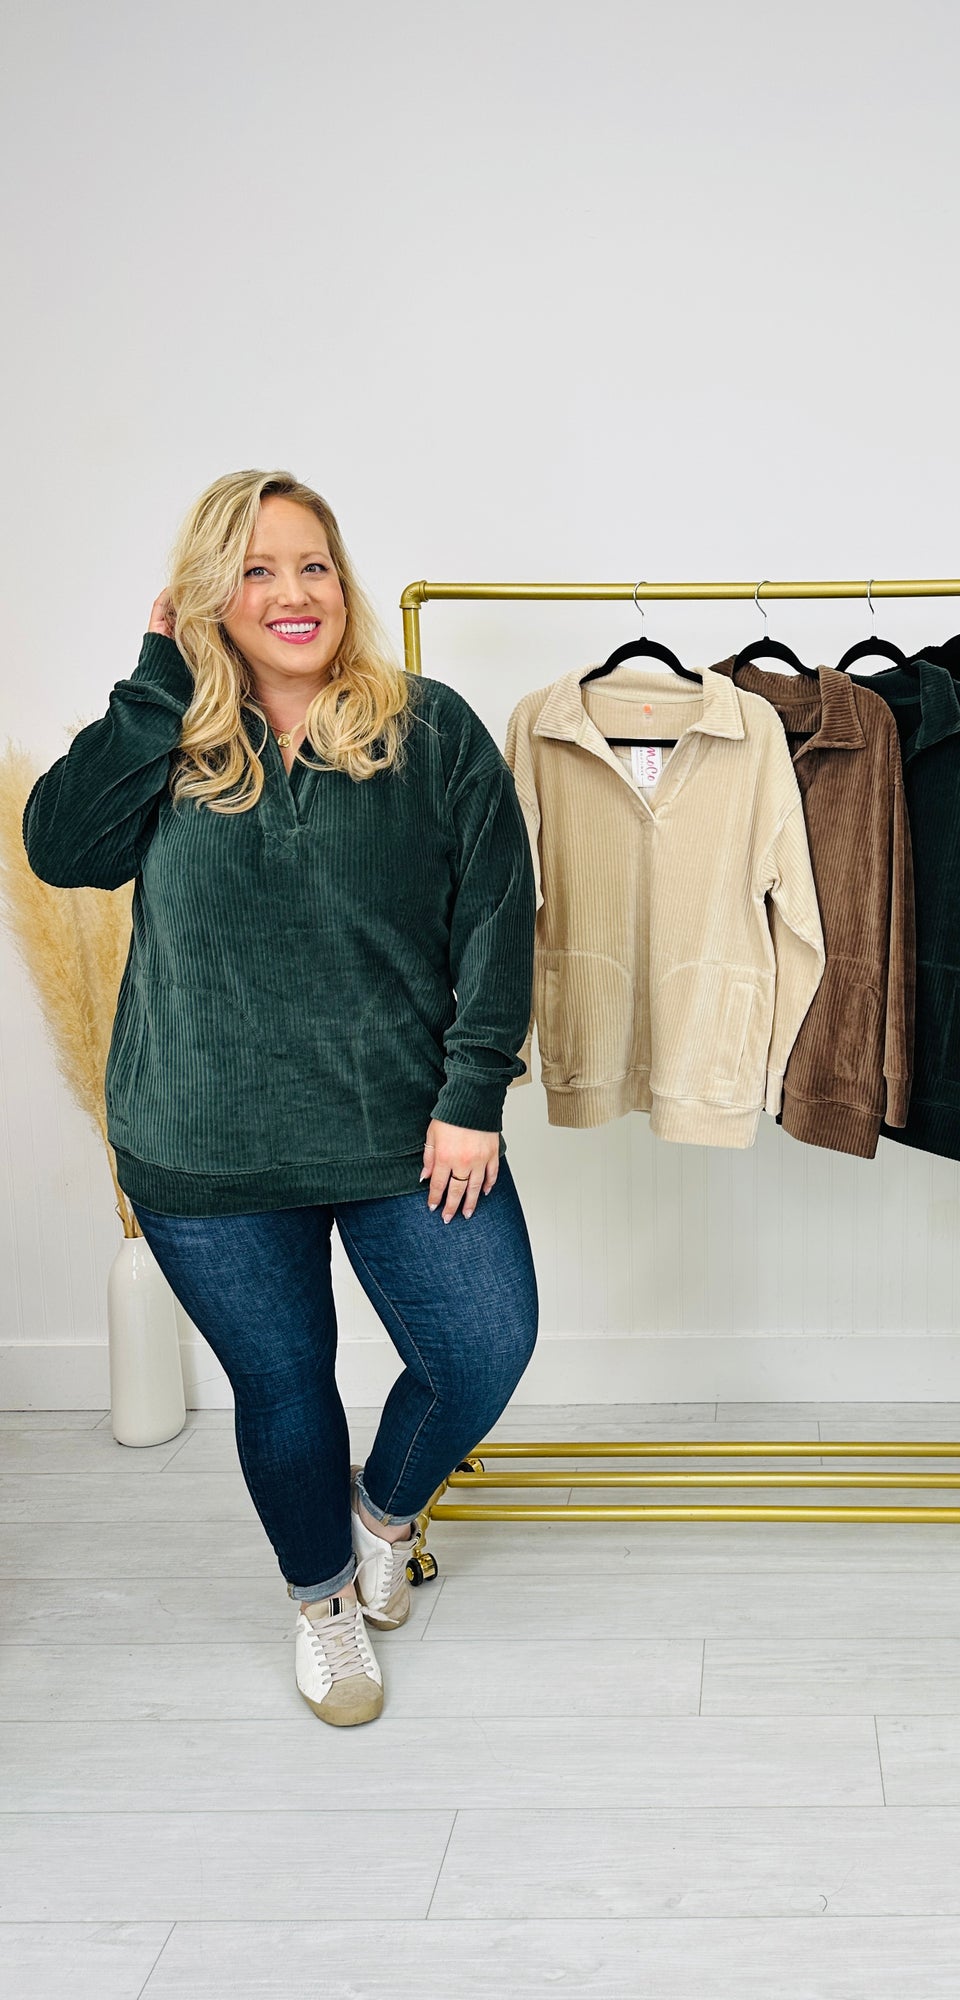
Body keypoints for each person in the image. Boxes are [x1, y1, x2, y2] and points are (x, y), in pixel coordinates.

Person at [25, 469, 539, 1727]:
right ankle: (322, 1603)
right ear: (210, 594)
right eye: (255, 570)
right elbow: (59, 849)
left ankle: (383, 1516)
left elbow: (497, 914)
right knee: (288, 1384)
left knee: (482, 1343)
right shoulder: (165, 740)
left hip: (402, 1124)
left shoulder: (428, 727)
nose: (292, 592)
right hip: (205, 1141)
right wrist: (155, 682)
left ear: (342, 579)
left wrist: (473, 1092)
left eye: (312, 564)